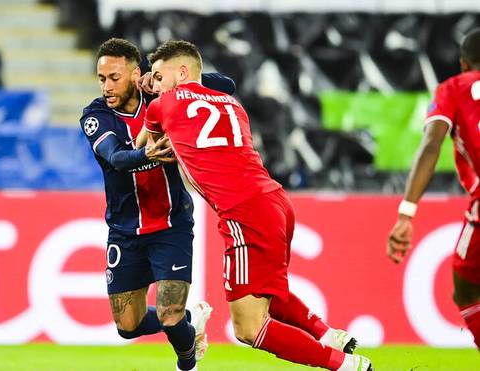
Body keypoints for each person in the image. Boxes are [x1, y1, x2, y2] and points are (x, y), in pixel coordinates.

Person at [144, 40, 372, 371]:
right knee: (272, 294)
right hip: (275, 200)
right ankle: (326, 334)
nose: (155, 83)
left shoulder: (162, 104)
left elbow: (141, 149)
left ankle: (347, 366)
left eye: (158, 75)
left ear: (181, 72)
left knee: (249, 328)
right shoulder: (232, 104)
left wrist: (147, 99)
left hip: (243, 210)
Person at [79, 38, 235, 371]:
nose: (107, 86)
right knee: (127, 326)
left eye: (115, 78)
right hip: (125, 230)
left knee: (168, 313)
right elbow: (115, 157)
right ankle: (190, 321)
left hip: (171, 224)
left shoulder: (162, 95)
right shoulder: (96, 116)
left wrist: (163, 75)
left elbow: (227, 86)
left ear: (136, 75)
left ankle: (188, 360)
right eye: (102, 78)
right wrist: (146, 154)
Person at [387, 28, 480, 348]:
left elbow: (431, 144)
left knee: (467, 289)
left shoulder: (453, 89)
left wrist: (406, 211)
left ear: (464, 64)